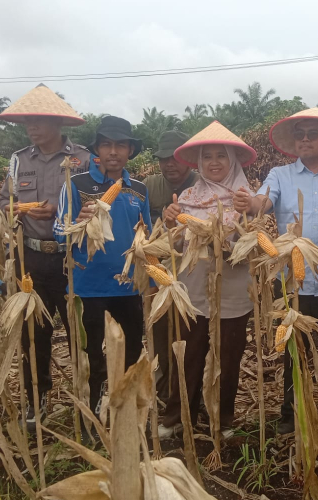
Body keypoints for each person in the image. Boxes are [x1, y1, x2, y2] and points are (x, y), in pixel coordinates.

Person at [234, 108, 318, 441]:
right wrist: (251, 203)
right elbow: (263, 202)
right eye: (300, 134)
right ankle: (289, 415)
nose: (305, 139)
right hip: (290, 282)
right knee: (292, 352)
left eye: (312, 134)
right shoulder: (279, 174)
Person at [0, 84, 90, 432]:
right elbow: (7, 201)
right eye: (27, 122)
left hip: (71, 258)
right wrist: (14, 213)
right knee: (33, 335)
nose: (32, 127)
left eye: (38, 121)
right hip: (31, 259)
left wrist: (58, 212)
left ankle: (86, 400)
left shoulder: (82, 158)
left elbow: (93, 204)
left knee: (79, 330)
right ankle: (37, 402)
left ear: (56, 123)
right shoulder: (19, 160)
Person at [158, 121, 256, 439]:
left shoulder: (247, 198)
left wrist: (244, 223)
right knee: (188, 354)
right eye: (208, 156)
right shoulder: (187, 196)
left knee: (228, 357)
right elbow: (174, 248)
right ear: (199, 162)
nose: (214, 162)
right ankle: (178, 414)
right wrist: (170, 221)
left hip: (232, 291)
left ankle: (223, 417)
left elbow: (255, 244)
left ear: (233, 161)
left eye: (221, 156)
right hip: (193, 289)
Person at [54, 116, 150, 417]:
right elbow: (58, 231)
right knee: (92, 353)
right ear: (96, 149)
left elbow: (143, 234)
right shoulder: (76, 184)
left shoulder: (139, 189)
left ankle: (124, 405)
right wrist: (77, 223)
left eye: (120, 145)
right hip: (89, 287)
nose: (113, 152)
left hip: (128, 286)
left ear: (130, 150)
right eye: (106, 144)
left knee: (131, 350)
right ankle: (95, 408)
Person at [143, 130, 198, 401]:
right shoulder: (150, 185)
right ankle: (166, 392)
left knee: (191, 335)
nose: (169, 164)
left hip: (193, 272)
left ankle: (191, 392)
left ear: (187, 158)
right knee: (162, 334)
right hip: (159, 273)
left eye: (174, 158)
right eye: (163, 159)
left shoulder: (201, 185)